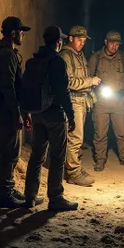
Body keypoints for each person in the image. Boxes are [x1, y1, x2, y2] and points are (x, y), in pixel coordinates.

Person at [24, 26, 79, 211]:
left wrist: (26, 113)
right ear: (58, 41)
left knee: (37, 155)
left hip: (37, 113)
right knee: (57, 156)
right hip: (54, 114)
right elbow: (63, 92)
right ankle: (55, 197)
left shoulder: (35, 60)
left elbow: (26, 89)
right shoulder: (57, 61)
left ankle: (30, 196)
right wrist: (71, 116)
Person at [0, 16, 31, 208]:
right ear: (13, 33)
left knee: (2, 150)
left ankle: (0, 190)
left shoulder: (3, 52)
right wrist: (16, 112)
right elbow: (8, 87)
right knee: (10, 152)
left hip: (2, 109)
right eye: (21, 32)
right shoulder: (6, 55)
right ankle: (4, 193)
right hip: (6, 111)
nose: (23, 35)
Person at [88, 30, 124, 171]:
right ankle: (100, 160)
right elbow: (88, 79)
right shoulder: (95, 58)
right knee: (100, 134)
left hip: (119, 101)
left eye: (117, 44)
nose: (115, 46)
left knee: (122, 132)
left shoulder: (123, 58)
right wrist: (90, 99)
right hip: (101, 102)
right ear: (106, 42)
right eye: (112, 43)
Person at [60, 25, 101, 186]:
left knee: (78, 138)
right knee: (75, 139)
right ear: (70, 39)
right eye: (79, 40)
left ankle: (76, 167)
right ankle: (73, 173)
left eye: (84, 40)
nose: (82, 43)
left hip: (81, 101)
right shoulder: (65, 56)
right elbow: (68, 82)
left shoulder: (79, 55)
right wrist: (90, 81)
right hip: (73, 102)